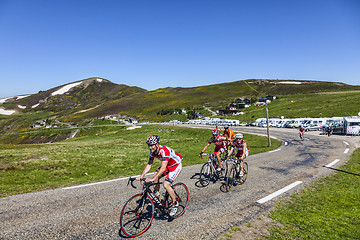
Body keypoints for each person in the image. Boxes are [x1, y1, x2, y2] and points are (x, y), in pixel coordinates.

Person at [136, 135, 183, 217]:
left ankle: (175, 203)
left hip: (175, 165)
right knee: (155, 176)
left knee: (166, 184)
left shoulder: (164, 151)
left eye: (152, 145)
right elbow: (149, 164)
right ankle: (158, 196)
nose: (150, 148)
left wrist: (153, 178)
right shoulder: (153, 152)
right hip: (168, 165)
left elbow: (163, 168)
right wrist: (142, 175)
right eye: (149, 146)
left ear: (157, 145)